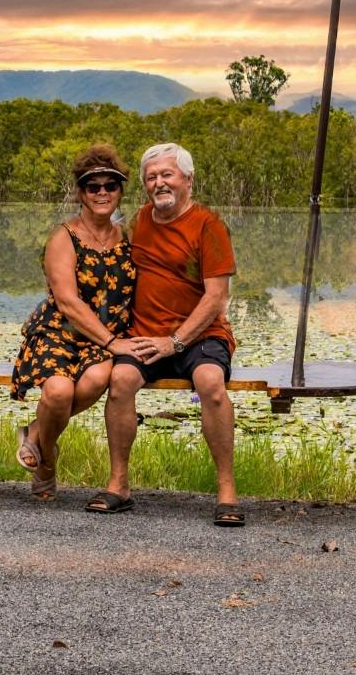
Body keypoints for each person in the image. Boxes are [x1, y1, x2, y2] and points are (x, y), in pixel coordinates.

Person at [88, 141, 243, 527]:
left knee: (209, 382)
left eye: (167, 174)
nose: (159, 183)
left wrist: (175, 342)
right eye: (151, 177)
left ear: (188, 179)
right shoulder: (138, 221)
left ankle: (227, 491)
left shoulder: (209, 226)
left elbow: (216, 297)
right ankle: (119, 485)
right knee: (120, 379)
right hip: (145, 334)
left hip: (201, 335)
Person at [9, 144, 141, 501]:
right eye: (92, 186)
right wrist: (113, 344)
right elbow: (67, 302)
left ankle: (37, 434)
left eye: (109, 185)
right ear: (81, 192)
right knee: (58, 391)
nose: (102, 193)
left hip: (106, 336)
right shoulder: (62, 237)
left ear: (120, 190)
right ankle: (48, 463)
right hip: (59, 331)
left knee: (98, 377)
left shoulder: (129, 237)